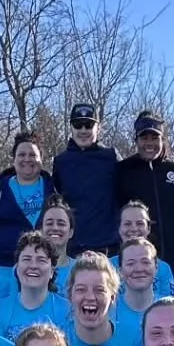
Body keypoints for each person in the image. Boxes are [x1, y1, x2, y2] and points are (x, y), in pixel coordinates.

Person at [114, 111, 174, 264]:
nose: (149, 143)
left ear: (162, 140)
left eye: (154, 138)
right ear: (136, 140)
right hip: (138, 259)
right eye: (144, 138)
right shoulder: (123, 170)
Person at [51, 102, 120, 255]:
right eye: (78, 125)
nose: (83, 130)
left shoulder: (111, 157)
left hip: (107, 246)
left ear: (98, 128)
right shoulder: (61, 162)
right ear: (71, 128)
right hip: (72, 247)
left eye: (88, 125)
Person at [0, 229, 73, 344]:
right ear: (17, 268)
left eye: (41, 260)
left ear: (52, 272)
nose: (33, 266)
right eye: (27, 259)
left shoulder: (67, 311)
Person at [0, 130, 53, 270]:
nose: (27, 159)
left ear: (41, 158)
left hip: (45, 265)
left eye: (32, 155)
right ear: (14, 159)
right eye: (22, 155)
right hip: (7, 265)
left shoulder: (53, 188)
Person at [113, 201, 174, 296]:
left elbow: (169, 301)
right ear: (119, 228)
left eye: (140, 223)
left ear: (148, 228)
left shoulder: (163, 268)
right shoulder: (107, 266)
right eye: (127, 224)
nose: (134, 229)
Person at [113, 238, 162, 329]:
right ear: (120, 271)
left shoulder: (170, 309)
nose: (139, 269)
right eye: (130, 264)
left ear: (156, 268)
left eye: (145, 262)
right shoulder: (108, 311)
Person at [37, 197, 77, 281]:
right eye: (49, 223)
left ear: (71, 232)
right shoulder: (28, 267)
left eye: (61, 224)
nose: (55, 228)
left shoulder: (79, 269)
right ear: (41, 231)